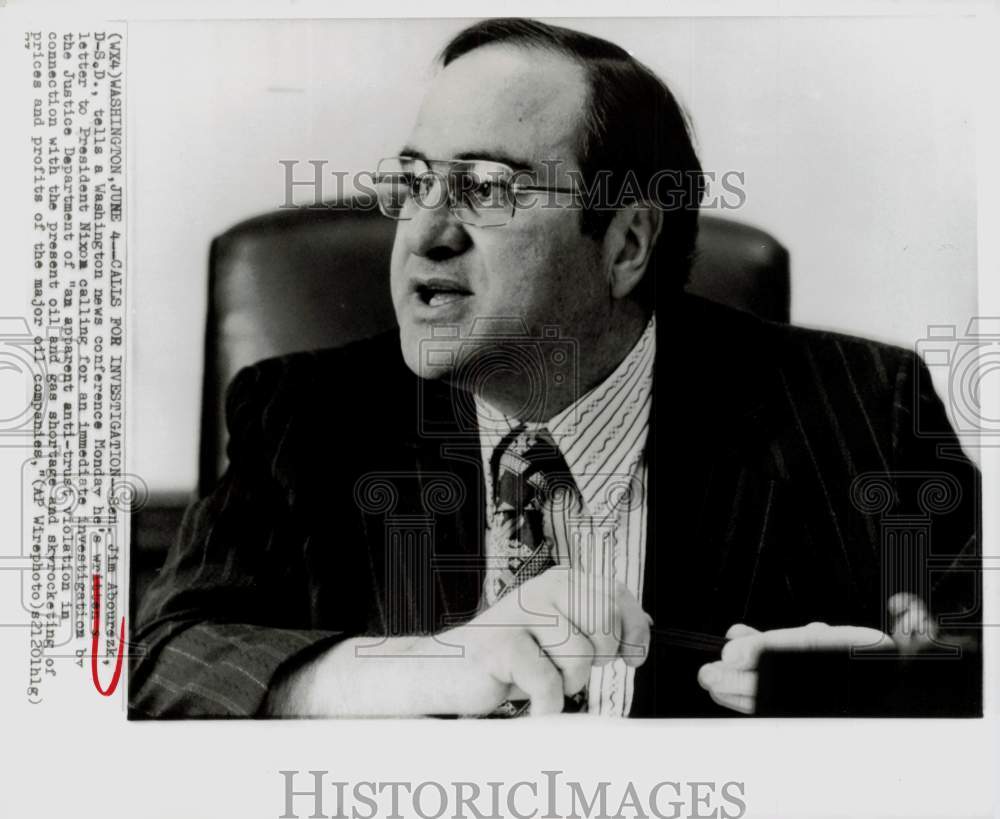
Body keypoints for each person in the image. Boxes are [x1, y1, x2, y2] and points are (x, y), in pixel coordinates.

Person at [129, 18, 980, 718]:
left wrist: (885, 688)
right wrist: (398, 670)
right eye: (416, 181)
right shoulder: (305, 416)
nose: (425, 232)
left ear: (626, 243)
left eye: (488, 188)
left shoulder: (864, 407)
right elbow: (159, 661)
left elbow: (977, 646)